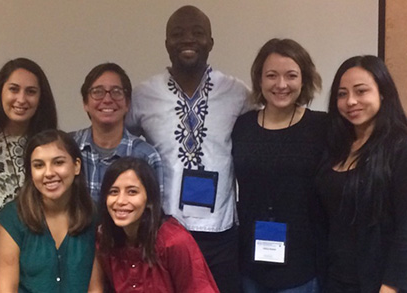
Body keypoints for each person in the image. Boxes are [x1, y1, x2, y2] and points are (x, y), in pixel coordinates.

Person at [125, 5, 250, 292]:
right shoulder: (144, 95)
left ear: (211, 42)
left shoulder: (238, 93)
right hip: (163, 227)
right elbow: (121, 139)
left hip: (221, 232)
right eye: (178, 34)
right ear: (166, 43)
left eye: (198, 33)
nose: (188, 40)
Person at [232, 39, 325, 292]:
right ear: (259, 80)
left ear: (303, 79)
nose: (281, 84)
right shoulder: (242, 127)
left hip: (304, 267)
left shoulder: (323, 128)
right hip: (250, 265)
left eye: (291, 75)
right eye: (271, 75)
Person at [315, 55, 407, 293]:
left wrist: (391, 286)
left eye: (361, 91)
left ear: (383, 93)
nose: (351, 101)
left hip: (378, 283)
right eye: (342, 94)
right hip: (334, 278)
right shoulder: (337, 146)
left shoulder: (400, 147)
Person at [0, 57, 58, 290]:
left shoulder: (51, 144)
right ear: (0, 92)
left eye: (31, 92)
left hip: (39, 265)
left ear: (41, 98)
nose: (21, 99)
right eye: (13, 89)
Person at [0, 130, 101, 292]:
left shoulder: (92, 214)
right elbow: (7, 289)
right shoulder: (13, 217)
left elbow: (96, 288)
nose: (49, 173)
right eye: (39, 165)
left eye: (58, 162)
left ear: (76, 166)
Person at [97, 157, 218, 292]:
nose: (120, 201)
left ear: (149, 199)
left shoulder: (174, 242)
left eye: (132, 192)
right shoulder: (106, 240)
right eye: (113, 192)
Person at [72, 62, 163, 201]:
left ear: (127, 104)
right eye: (98, 92)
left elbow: (154, 214)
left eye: (116, 92)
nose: (107, 99)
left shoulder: (146, 157)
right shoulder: (67, 148)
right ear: (85, 103)